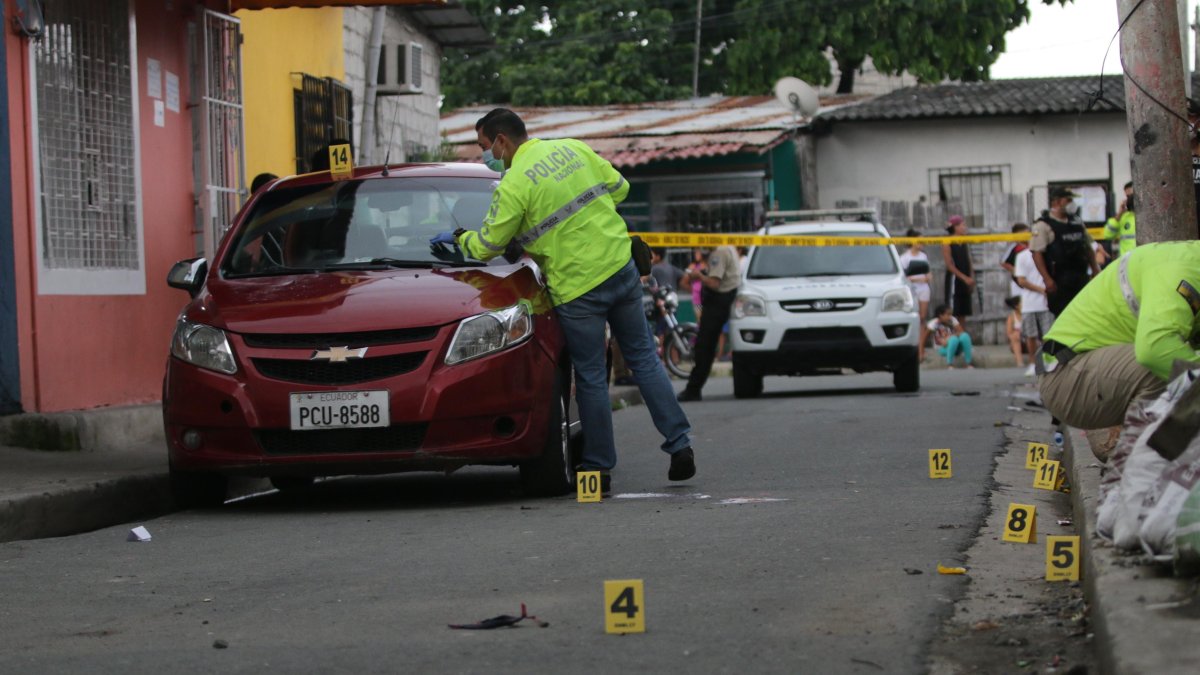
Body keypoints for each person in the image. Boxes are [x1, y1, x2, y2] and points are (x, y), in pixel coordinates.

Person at [436, 109, 696, 487]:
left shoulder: (513, 185)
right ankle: (680, 444)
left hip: (578, 289)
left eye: (484, 146)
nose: (485, 155)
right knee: (644, 359)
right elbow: (620, 188)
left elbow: (489, 245)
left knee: (591, 376)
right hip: (620, 268)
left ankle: (598, 468)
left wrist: (460, 238)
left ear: (501, 141)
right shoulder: (574, 149)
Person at [1037, 242, 1200, 461]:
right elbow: (1155, 350)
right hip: (1066, 376)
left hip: (1090, 372)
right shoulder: (1183, 271)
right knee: (1170, 364)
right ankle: (1144, 461)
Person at [676, 244, 741, 402]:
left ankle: (693, 388)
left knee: (704, 346)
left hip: (718, 301)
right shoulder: (729, 247)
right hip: (724, 300)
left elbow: (714, 283)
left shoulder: (718, 252)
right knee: (705, 346)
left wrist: (699, 276)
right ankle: (694, 388)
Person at [1030, 187, 1099, 316]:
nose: (1072, 203)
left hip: (1081, 275)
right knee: (1063, 315)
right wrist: (1047, 279)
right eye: (1068, 200)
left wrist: (1095, 268)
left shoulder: (1077, 221)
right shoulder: (1043, 225)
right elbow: (1037, 254)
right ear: (1057, 202)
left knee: (1085, 313)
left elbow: (1087, 247)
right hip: (1060, 279)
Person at [1014, 245, 1053, 378]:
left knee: (1048, 334)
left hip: (1047, 304)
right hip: (1029, 303)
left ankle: (1048, 360)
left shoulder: (1049, 253)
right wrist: (1041, 290)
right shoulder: (1022, 256)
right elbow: (1021, 280)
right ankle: (1032, 363)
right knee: (1030, 335)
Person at [899, 229, 931, 360]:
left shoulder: (923, 257)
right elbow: (904, 277)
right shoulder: (904, 258)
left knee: (922, 318)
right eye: (919, 240)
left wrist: (925, 278)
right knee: (914, 317)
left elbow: (928, 275)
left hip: (924, 289)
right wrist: (918, 279)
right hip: (911, 290)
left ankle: (921, 350)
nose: (922, 243)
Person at [941, 215, 974, 327]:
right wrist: (964, 278)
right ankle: (951, 334)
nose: (965, 227)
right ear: (955, 227)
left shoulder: (964, 240)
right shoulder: (947, 241)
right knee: (952, 310)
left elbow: (968, 260)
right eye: (962, 225)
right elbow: (949, 265)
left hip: (966, 279)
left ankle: (961, 335)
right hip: (954, 279)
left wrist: (971, 277)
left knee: (963, 312)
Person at [927, 304, 973, 369]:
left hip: (955, 346)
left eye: (951, 314)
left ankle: (968, 363)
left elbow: (961, 332)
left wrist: (950, 338)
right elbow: (924, 337)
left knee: (965, 336)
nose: (950, 316)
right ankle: (950, 364)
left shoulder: (952, 320)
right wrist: (921, 352)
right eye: (948, 315)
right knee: (954, 340)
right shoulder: (933, 323)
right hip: (942, 348)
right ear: (941, 315)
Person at [1103, 181, 1136, 259]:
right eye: (1127, 196)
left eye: (1132, 196)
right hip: (1128, 261)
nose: (1130, 199)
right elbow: (1107, 235)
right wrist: (1119, 215)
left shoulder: (1149, 215)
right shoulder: (1123, 216)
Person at [1000, 223, 1030, 302]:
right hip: (1017, 283)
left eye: (1028, 233)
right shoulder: (1014, 247)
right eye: (1024, 234)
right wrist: (1017, 271)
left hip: (1031, 281)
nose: (1027, 236)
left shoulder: (1032, 246)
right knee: (1019, 304)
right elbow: (1004, 262)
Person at [1004, 296, 1024, 369]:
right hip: (1017, 341)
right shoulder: (1012, 317)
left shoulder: (1028, 315)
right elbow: (1009, 334)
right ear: (1016, 306)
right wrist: (1018, 333)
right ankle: (1019, 362)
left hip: (1028, 341)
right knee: (1015, 335)